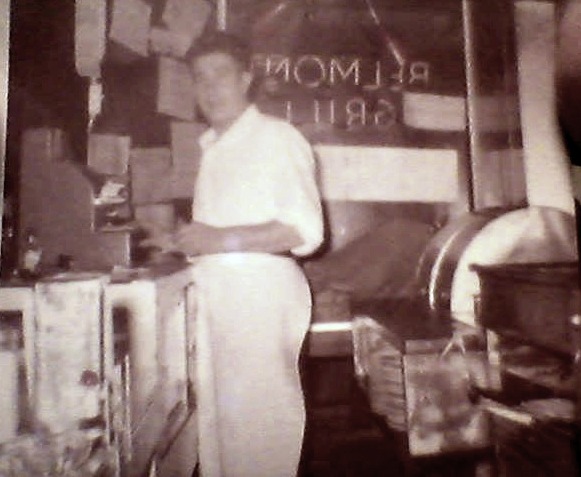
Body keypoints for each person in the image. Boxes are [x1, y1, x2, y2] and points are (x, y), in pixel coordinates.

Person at [143, 31, 324, 476]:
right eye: (199, 77)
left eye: (220, 74)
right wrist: (182, 243)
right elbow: (225, 230)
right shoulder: (213, 147)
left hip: (259, 306)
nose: (209, 87)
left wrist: (216, 241)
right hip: (220, 307)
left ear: (246, 79)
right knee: (220, 440)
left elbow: (304, 230)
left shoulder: (276, 137)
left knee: (258, 438)